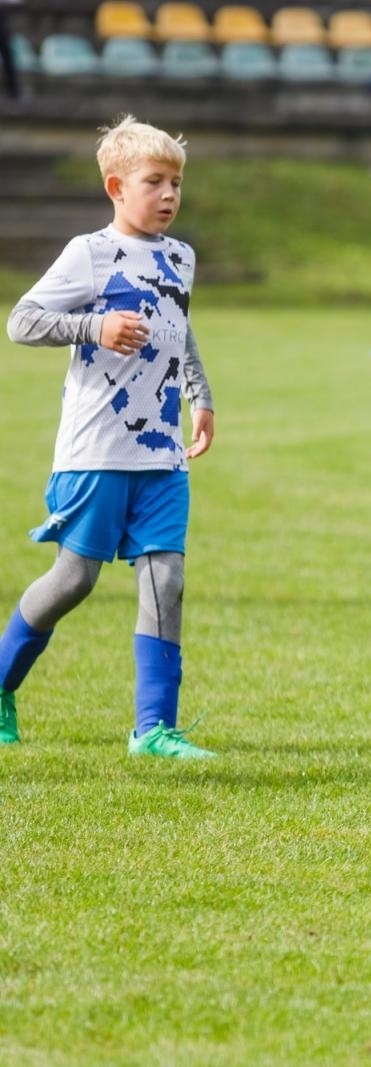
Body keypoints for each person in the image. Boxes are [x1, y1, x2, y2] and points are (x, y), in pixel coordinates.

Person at [2, 115, 216, 757]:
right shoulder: (88, 253)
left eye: (177, 182)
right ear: (117, 187)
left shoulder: (181, 257)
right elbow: (22, 321)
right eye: (156, 182)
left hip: (161, 452)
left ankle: (153, 729)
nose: (171, 194)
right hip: (96, 450)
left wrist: (200, 395)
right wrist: (94, 328)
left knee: (167, 578)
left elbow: (181, 327)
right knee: (74, 580)